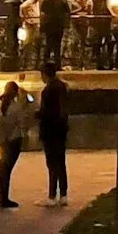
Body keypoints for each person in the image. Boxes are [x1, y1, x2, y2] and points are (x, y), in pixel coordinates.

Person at [0, 80, 35, 208]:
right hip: (13, 140)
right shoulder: (16, 107)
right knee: (7, 170)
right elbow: (23, 121)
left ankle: (2, 197)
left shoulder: (1, 106)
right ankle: (4, 198)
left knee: (2, 169)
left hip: (3, 140)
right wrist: (27, 96)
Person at [39, 69, 71, 201]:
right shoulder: (63, 87)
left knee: (52, 163)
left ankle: (52, 195)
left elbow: (45, 112)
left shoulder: (48, 91)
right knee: (61, 162)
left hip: (50, 130)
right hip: (61, 128)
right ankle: (63, 194)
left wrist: (36, 114)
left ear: (45, 74)